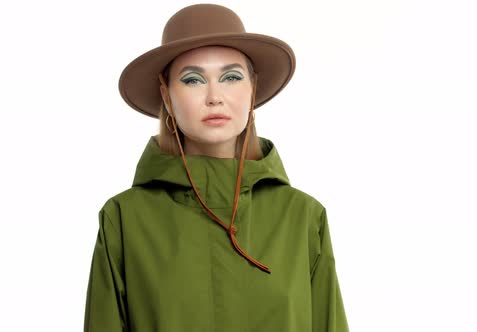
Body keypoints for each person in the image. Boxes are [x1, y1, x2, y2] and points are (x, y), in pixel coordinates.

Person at [83, 4, 349, 331]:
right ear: (166, 96)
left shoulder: (303, 216)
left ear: (252, 90)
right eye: (193, 79)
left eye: (231, 77)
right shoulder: (124, 218)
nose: (214, 97)